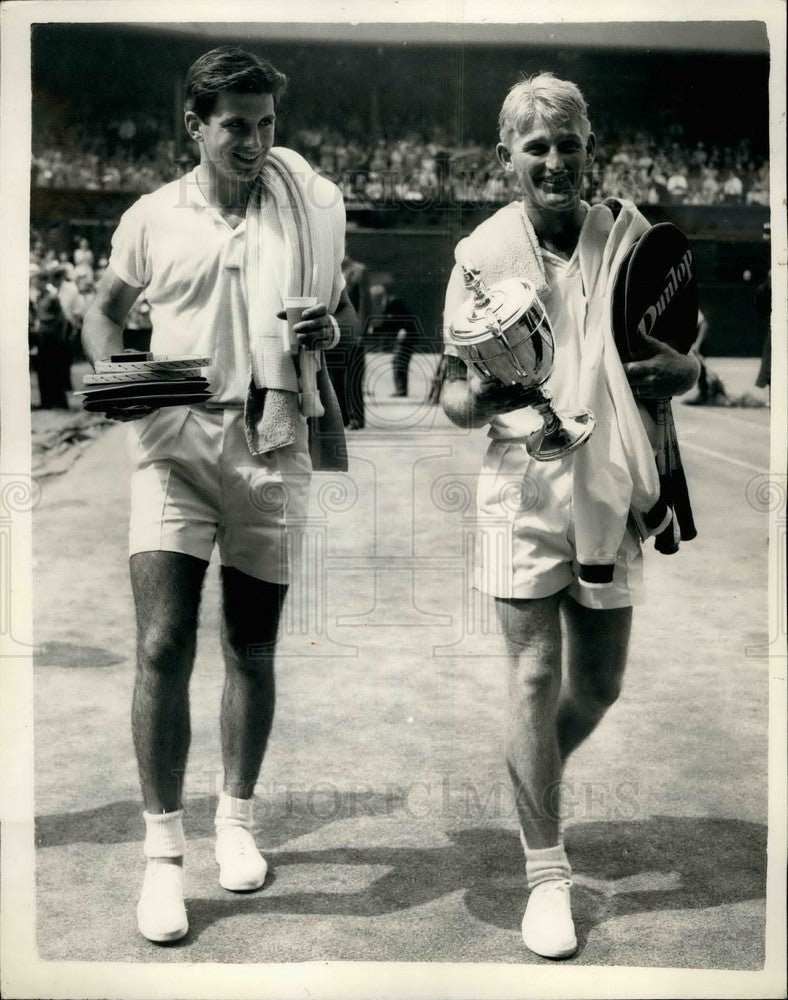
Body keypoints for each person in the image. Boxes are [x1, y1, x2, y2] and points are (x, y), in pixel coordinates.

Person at [82, 45, 356, 944]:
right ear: (193, 126)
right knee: (161, 643)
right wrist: (116, 377)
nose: (255, 142)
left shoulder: (307, 208)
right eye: (235, 125)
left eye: (267, 124)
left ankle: (235, 822)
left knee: (251, 646)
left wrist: (326, 323)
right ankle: (163, 860)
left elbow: (338, 320)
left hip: (271, 447)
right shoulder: (153, 217)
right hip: (174, 451)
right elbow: (103, 310)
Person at [440, 73, 699, 960]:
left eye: (568, 144)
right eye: (535, 146)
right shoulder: (480, 252)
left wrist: (685, 374)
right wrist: (481, 386)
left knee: (597, 686)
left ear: (592, 152)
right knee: (530, 677)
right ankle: (546, 874)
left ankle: (529, 773)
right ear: (505, 158)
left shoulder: (630, 236)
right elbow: (452, 401)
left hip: (611, 483)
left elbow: (679, 354)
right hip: (521, 485)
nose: (554, 161)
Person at [324, 253, 370, 428]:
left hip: (353, 333)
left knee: (354, 378)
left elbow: (365, 304)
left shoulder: (359, 271)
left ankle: (357, 418)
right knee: (334, 378)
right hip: (334, 333)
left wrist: (361, 332)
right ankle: (341, 418)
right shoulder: (329, 272)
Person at [368, 283, 420, 397]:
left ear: (380, 296)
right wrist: (374, 331)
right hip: (401, 338)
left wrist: (404, 328)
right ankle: (401, 390)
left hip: (408, 336)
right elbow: (387, 324)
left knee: (399, 361)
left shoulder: (395, 302)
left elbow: (408, 316)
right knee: (399, 362)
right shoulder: (386, 304)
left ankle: (401, 391)